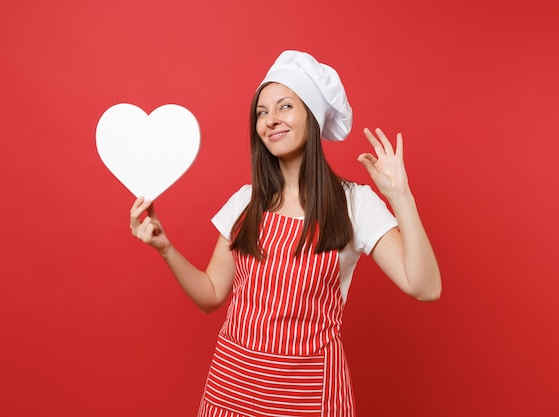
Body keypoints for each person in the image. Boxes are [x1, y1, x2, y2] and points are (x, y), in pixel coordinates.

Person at [129, 50, 441, 417]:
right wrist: (165, 248)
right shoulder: (246, 202)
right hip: (231, 392)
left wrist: (400, 196)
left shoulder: (355, 203)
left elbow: (426, 287)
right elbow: (211, 295)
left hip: (309, 399)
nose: (270, 121)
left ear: (312, 115)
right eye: (261, 112)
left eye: (285, 107)